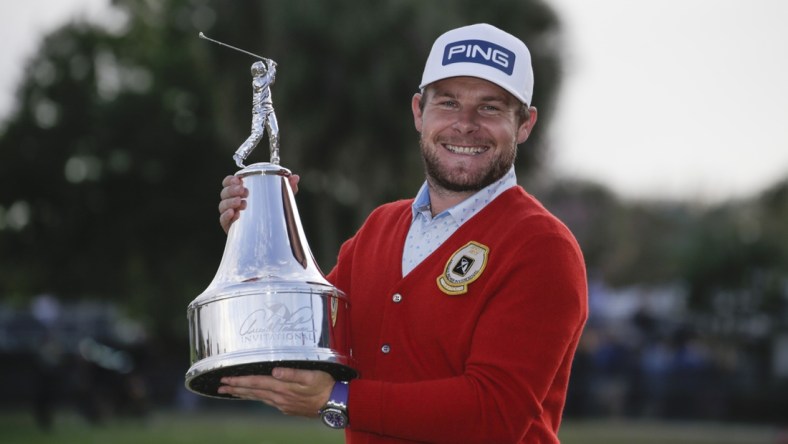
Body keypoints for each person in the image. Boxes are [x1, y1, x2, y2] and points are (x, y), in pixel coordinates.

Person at [217, 23, 588, 444]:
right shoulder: (379, 227)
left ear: (524, 124)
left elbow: (494, 414)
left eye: (491, 108)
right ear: (418, 112)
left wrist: (339, 399)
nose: (465, 125)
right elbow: (303, 339)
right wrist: (262, 236)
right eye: (448, 103)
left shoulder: (542, 247)